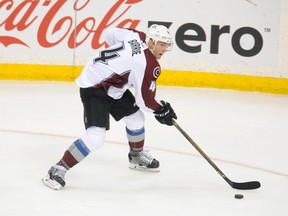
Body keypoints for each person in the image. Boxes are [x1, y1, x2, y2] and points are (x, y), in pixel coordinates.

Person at [42, 24, 177, 190]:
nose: (164, 49)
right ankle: (57, 169)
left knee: (136, 118)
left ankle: (136, 156)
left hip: (110, 83)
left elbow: (109, 33)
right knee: (96, 137)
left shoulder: (136, 35)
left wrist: (119, 62)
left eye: (166, 45)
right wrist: (161, 109)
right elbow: (145, 101)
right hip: (94, 86)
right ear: (150, 42)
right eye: (161, 44)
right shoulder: (148, 65)